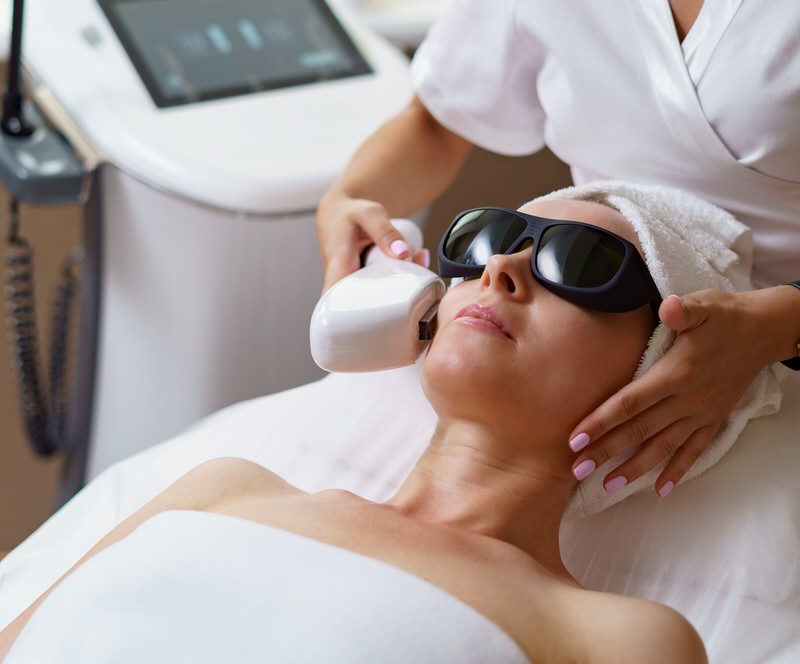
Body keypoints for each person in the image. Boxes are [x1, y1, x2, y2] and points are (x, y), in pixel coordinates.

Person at [0, 196, 708, 664]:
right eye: (485, 239)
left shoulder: (617, 640)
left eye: (580, 263)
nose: (502, 268)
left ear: (661, 367)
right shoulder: (224, 484)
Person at [316, 0, 800, 497]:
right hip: (594, 342)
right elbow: (438, 121)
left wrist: (777, 326)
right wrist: (349, 198)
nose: (494, 272)